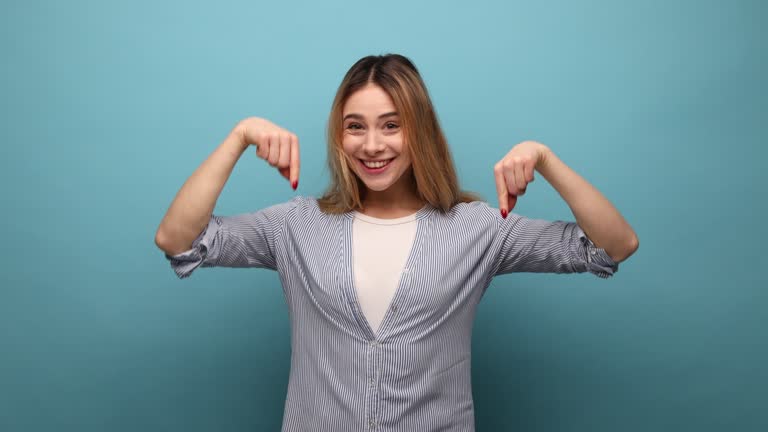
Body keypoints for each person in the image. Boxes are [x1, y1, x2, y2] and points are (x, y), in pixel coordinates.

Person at [154, 54, 638, 432]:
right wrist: (238, 137)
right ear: (339, 135)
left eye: (391, 124)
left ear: (419, 129)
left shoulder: (479, 229)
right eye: (355, 126)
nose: (372, 145)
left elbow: (614, 245)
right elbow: (177, 239)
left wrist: (545, 158)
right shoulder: (294, 226)